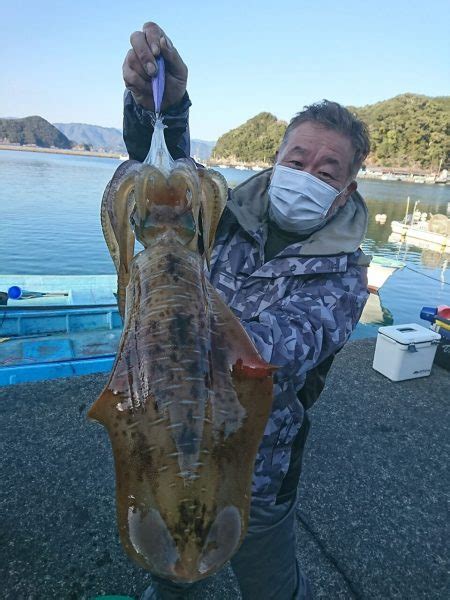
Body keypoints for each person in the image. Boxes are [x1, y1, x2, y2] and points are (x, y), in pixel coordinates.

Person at [122, 22, 371, 600]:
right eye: (297, 158)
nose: (306, 175)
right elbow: (164, 188)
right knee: (168, 568)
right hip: (168, 434)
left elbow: (271, 351)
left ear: (346, 190)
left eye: (327, 171)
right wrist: (161, 105)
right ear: (276, 158)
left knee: (271, 587)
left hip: (257, 467)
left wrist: (166, 312)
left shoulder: (346, 278)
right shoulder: (223, 215)